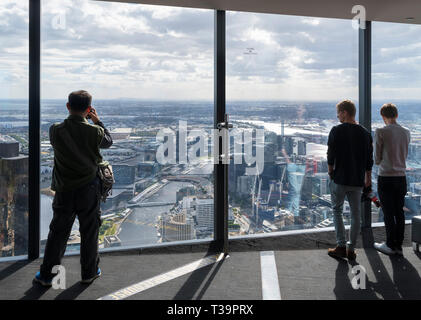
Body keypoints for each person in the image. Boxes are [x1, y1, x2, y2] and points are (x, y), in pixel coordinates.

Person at [34, 90, 113, 286]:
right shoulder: (95, 131)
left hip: (64, 189)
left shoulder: (55, 130)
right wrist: (97, 120)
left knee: (58, 233)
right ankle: (89, 273)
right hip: (89, 189)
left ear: (68, 106)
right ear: (88, 109)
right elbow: (108, 142)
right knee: (89, 231)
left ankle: (47, 276)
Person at [327, 100, 373, 261]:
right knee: (356, 215)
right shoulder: (365, 133)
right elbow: (369, 160)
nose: (338, 115)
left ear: (345, 112)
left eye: (339, 112)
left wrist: (330, 171)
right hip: (357, 181)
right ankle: (351, 249)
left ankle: (340, 246)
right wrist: (368, 179)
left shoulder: (336, 130)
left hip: (339, 178)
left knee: (337, 211)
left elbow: (331, 154)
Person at [374, 103, 410, 256]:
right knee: (399, 212)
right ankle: (398, 246)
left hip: (386, 176)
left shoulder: (381, 131)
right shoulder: (406, 132)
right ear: (396, 115)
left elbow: (376, 159)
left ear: (383, 116)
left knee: (388, 212)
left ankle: (389, 245)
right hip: (401, 177)